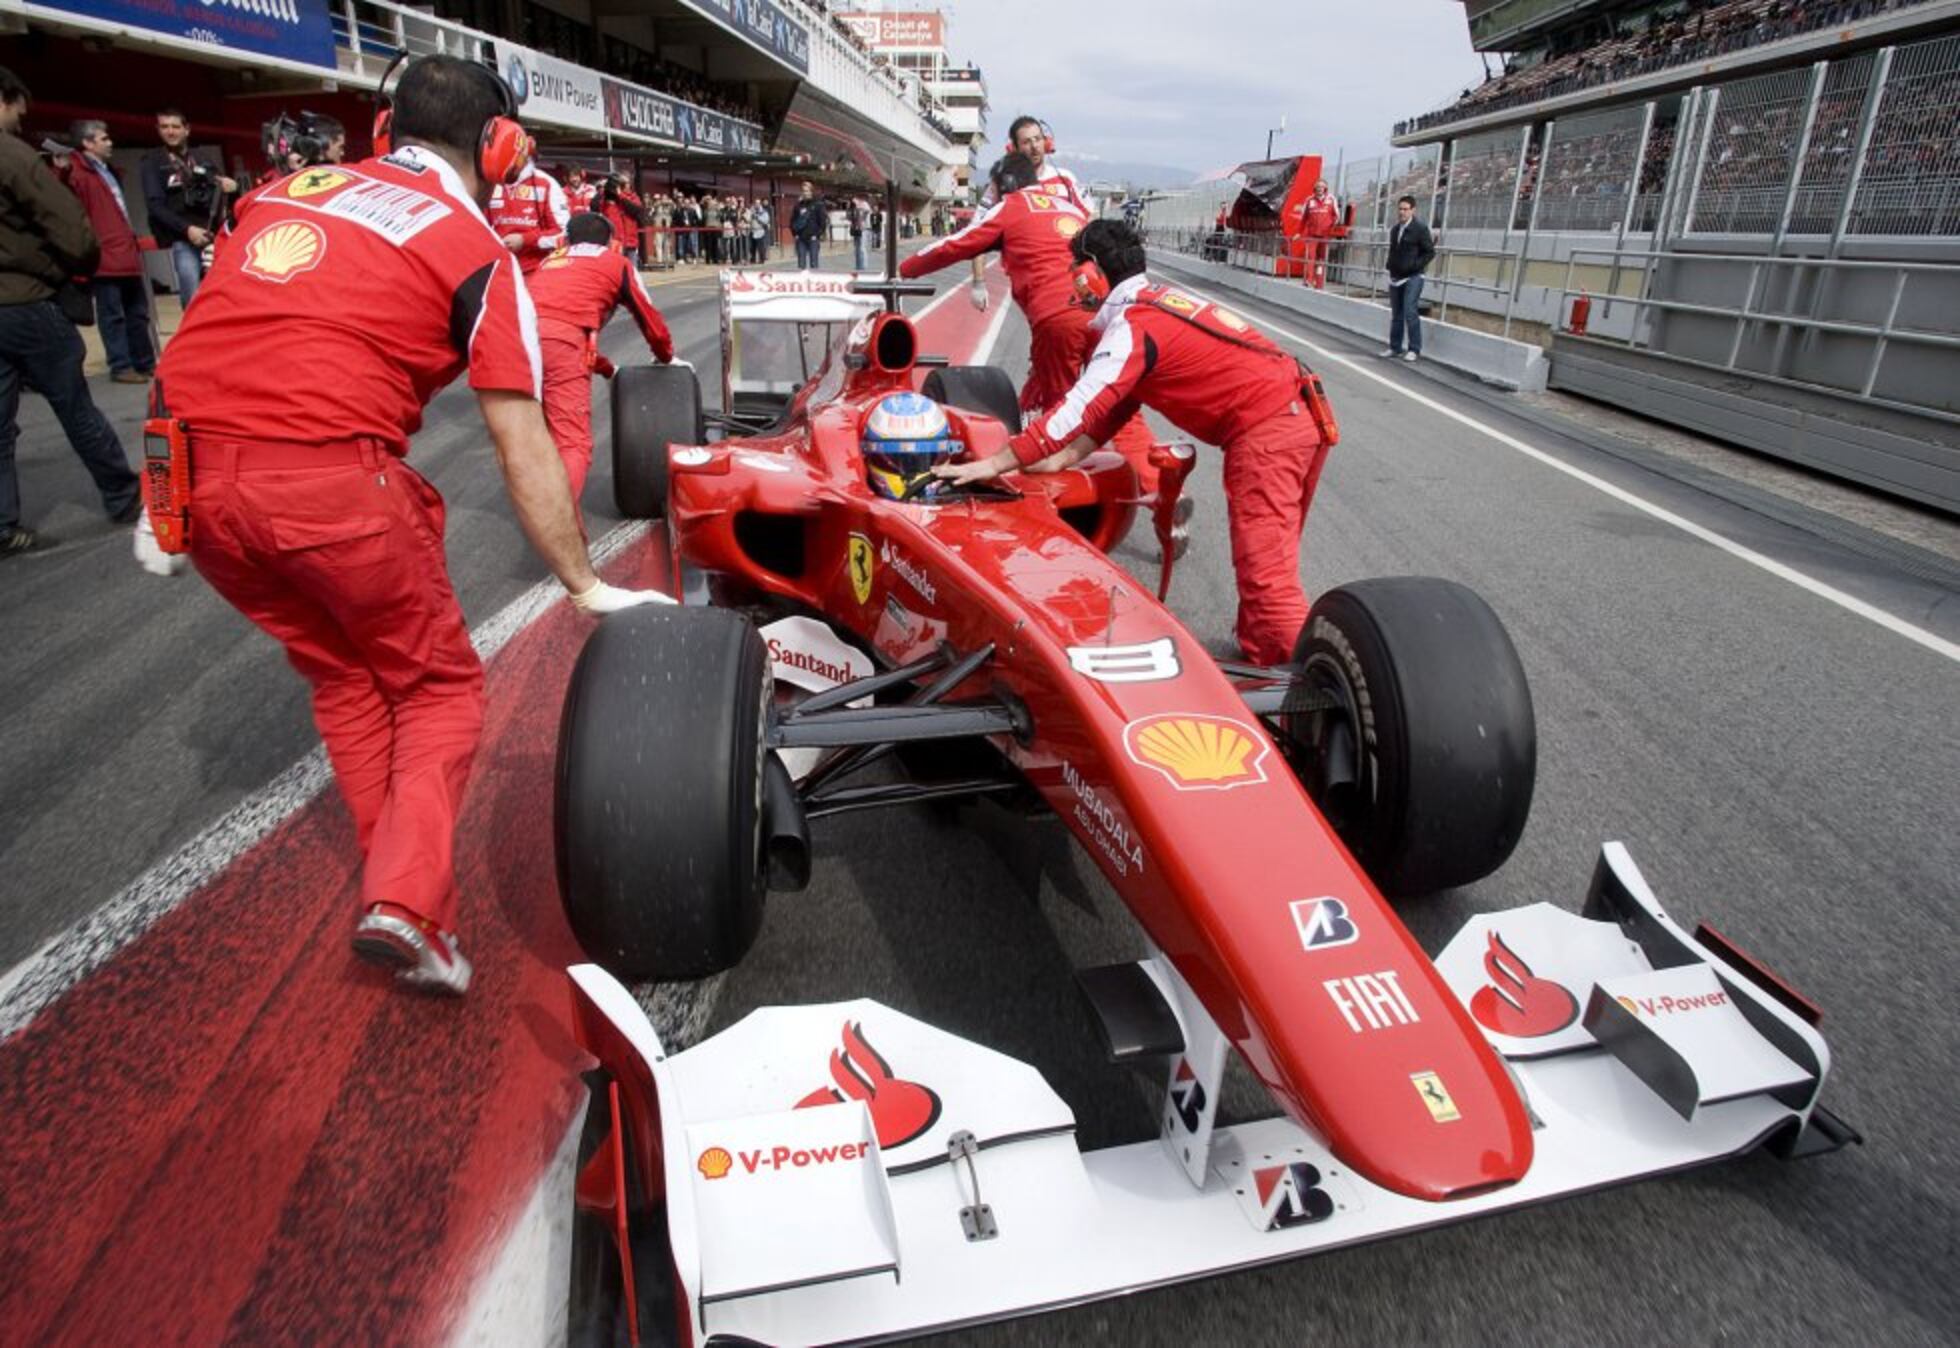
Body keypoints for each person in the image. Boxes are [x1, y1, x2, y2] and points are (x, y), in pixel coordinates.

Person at [150, 55, 665, 995]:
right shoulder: (476, 252)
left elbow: (194, 341)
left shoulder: (275, 193)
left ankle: (392, 873)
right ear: (503, 150)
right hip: (332, 490)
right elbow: (524, 446)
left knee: (346, 677)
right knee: (437, 692)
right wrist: (582, 583)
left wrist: (162, 504)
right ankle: (408, 904)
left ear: (383, 133)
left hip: (199, 486)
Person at [935, 222, 1335, 667]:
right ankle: (1263, 652)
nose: (1072, 280)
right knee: (1272, 563)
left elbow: (1079, 407)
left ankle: (1303, 700)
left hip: (1270, 429)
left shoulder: (1131, 324)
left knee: (1267, 579)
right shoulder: (1154, 303)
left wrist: (997, 461)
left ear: (1091, 273)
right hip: (1301, 411)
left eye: (1074, 269)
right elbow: (1115, 410)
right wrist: (1064, 458)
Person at [900, 152, 1156, 490]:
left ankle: (1055, 504)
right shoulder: (1070, 206)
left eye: (993, 191)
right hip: (1107, 312)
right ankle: (1160, 487)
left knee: (1060, 415)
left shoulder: (1012, 206)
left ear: (1006, 184)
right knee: (1119, 408)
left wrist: (901, 270)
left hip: (1058, 319)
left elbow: (952, 246)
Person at [0, 69, 141, 556]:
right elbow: (73, 232)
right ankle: (124, 496)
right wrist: (75, 270)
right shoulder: (13, 155)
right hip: (26, 301)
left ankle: (2, 523)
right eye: (19, 107)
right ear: (6, 99)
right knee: (75, 406)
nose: (21, 117)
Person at [527, 212, 676, 510]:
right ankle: (557, 519)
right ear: (610, 242)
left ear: (568, 239)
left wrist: (607, 369)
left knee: (534, 437)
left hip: (515, 340)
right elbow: (649, 320)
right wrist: (665, 356)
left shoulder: (548, 262)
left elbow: (553, 327)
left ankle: (541, 500)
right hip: (559, 343)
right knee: (572, 443)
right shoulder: (617, 264)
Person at [58, 120, 155, 384]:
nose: (110, 142)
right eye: (104, 139)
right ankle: (121, 366)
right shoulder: (76, 174)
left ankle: (145, 362)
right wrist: (61, 172)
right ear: (87, 143)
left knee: (137, 312)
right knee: (113, 315)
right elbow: (65, 202)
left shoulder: (107, 171)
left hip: (125, 250)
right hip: (104, 256)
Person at [968, 115, 1092, 311]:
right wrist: (978, 282)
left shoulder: (1065, 180)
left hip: (1072, 276)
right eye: (1027, 142)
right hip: (1030, 281)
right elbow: (977, 231)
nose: (1034, 146)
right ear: (1014, 149)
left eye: (1038, 139)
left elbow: (1091, 220)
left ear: (1046, 142)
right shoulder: (1003, 184)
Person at [140, 108, 237, 307]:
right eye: (165, 127)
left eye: (175, 126)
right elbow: (155, 206)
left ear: (187, 130)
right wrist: (187, 230)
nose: (170, 132)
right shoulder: (152, 161)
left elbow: (222, 193)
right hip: (183, 238)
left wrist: (232, 188)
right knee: (192, 297)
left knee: (225, 291)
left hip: (212, 235)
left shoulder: (202, 158)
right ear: (158, 130)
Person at [487, 158, 568, 273]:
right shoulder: (491, 181)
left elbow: (563, 234)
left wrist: (524, 240)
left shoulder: (546, 183)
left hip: (534, 271)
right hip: (497, 270)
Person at [1381, 194, 1433, 361]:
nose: (1402, 212)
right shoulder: (1395, 229)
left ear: (1413, 210)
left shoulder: (1420, 228)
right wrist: (1390, 266)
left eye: (1405, 209)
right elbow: (1393, 251)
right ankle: (1395, 347)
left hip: (1414, 277)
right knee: (1397, 314)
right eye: (1400, 209)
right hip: (1396, 277)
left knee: (1410, 311)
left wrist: (1415, 266)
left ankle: (1414, 349)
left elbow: (1429, 252)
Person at [1300, 178, 1340, 290]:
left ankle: (1319, 282)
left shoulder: (1331, 199)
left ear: (1325, 188)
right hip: (1312, 235)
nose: (1319, 189)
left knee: (1321, 259)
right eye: (1317, 187)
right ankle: (1308, 280)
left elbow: (1336, 216)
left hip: (1325, 235)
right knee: (1310, 257)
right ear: (1314, 188)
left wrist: (1330, 228)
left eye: (1321, 187)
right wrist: (1299, 232)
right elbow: (1303, 218)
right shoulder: (1309, 200)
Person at [599, 173, 644, 268]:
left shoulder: (633, 197)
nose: (625, 185)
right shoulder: (607, 199)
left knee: (631, 271)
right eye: (621, 183)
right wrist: (605, 191)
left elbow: (636, 211)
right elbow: (594, 206)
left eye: (626, 182)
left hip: (630, 241)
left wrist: (621, 196)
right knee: (616, 271)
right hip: (615, 242)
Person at [790, 181, 826, 269]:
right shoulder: (798, 205)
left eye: (807, 191)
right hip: (801, 238)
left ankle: (814, 281)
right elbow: (792, 221)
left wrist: (817, 235)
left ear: (811, 191)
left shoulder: (818, 204)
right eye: (803, 191)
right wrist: (795, 234)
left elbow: (822, 222)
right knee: (801, 264)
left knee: (814, 263)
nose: (805, 193)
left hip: (813, 238)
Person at [849, 195, 869, 271]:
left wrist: (859, 207)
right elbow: (849, 216)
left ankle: (863, 266)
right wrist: (851, 208)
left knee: (862, 248)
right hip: (855, 228)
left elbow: (866, 212)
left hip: (862, 228)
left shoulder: (864, 204)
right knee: (856, 248)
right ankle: (858, 265)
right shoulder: (852, 206)